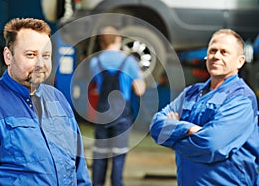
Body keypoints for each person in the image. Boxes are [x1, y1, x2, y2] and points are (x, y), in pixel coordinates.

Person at [0, 18, 91, 185]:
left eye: (46, 55)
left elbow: (80, 172)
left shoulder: (59, 100)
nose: (40, 64)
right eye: (31, 55)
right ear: (8, 56)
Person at [150, 29, 259, 185]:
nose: (216, 56)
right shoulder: (191, 93)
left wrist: (173, 134)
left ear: (240, 61)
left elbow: (211, 144)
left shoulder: (242, 99)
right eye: (213, 50)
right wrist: (188, 129)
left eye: (224, 52)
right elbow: (156, 127)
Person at [89, 26, 146, 186]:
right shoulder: (129, 62)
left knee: (100, 155)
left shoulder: (95, 62)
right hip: (121, 115)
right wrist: (139, 73)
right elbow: (139, 90)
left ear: (101, 43)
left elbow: (95, 86)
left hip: (102, 113)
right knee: (118, 156)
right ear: (118, 40)